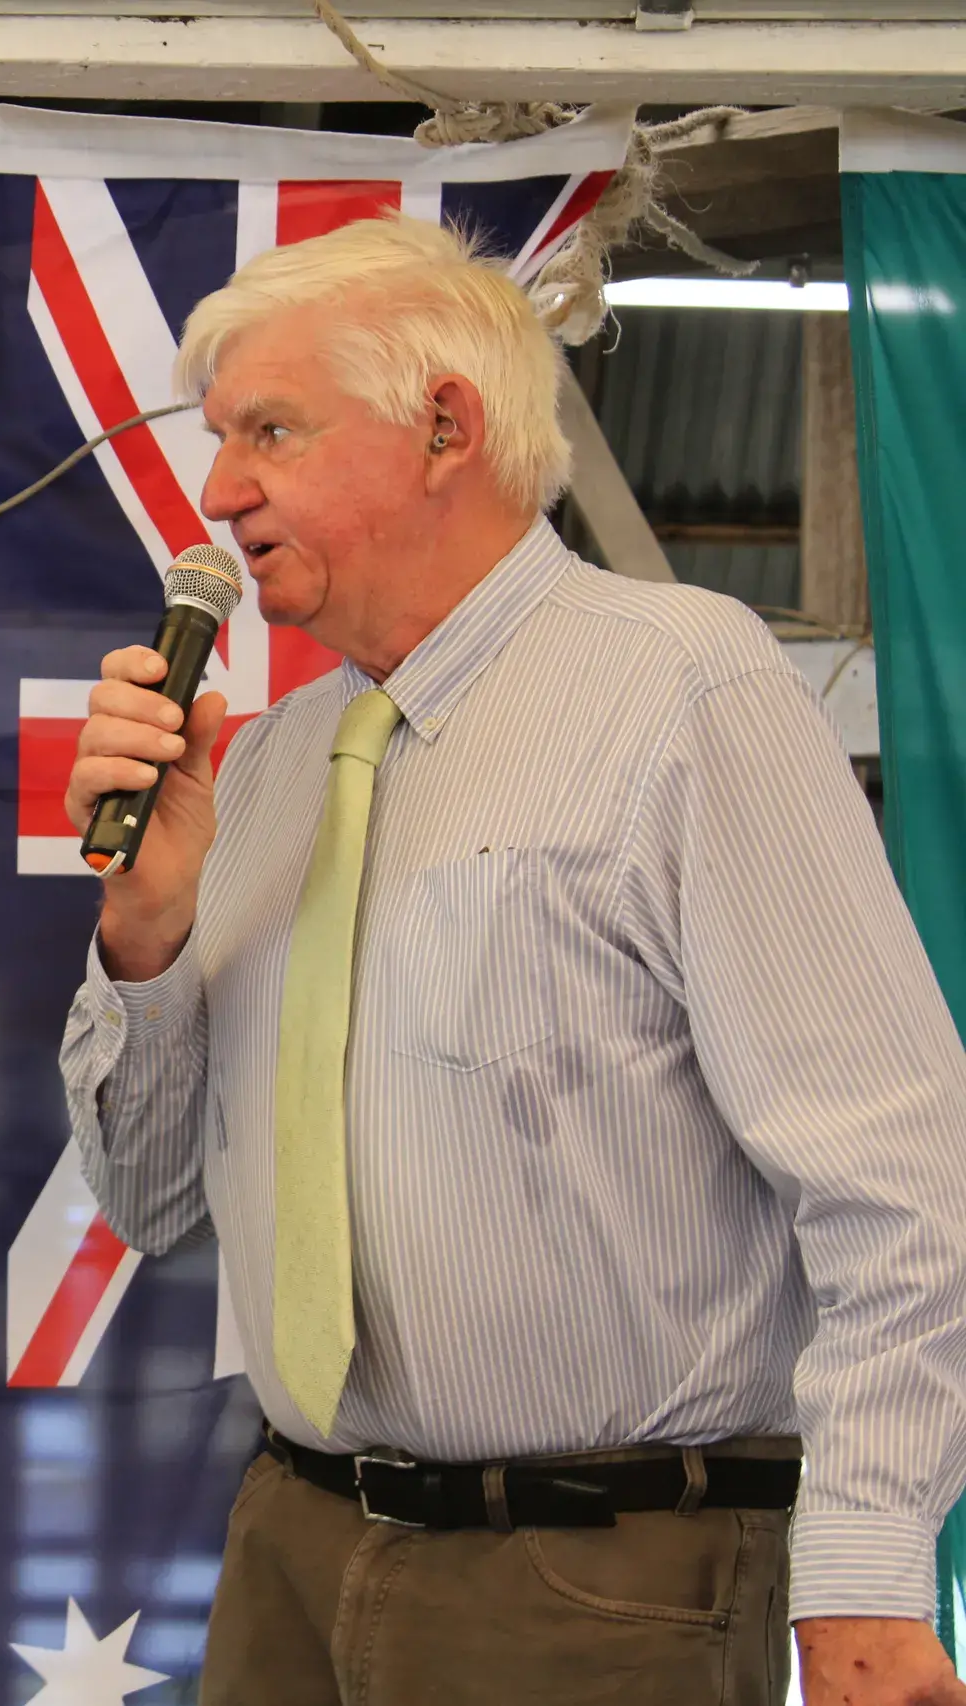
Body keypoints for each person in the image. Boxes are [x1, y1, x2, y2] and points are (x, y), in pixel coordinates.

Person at [60, 214, 966, 1706]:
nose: (220, 492)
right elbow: (150, 1203)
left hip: (598, 1576)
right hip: (292, 1539)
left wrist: (864, 1581)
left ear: (443, 423)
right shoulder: (271, 767)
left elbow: (898, 1178)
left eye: (270, 430)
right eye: (222, 439)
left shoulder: (687, 688)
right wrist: (144, 938)